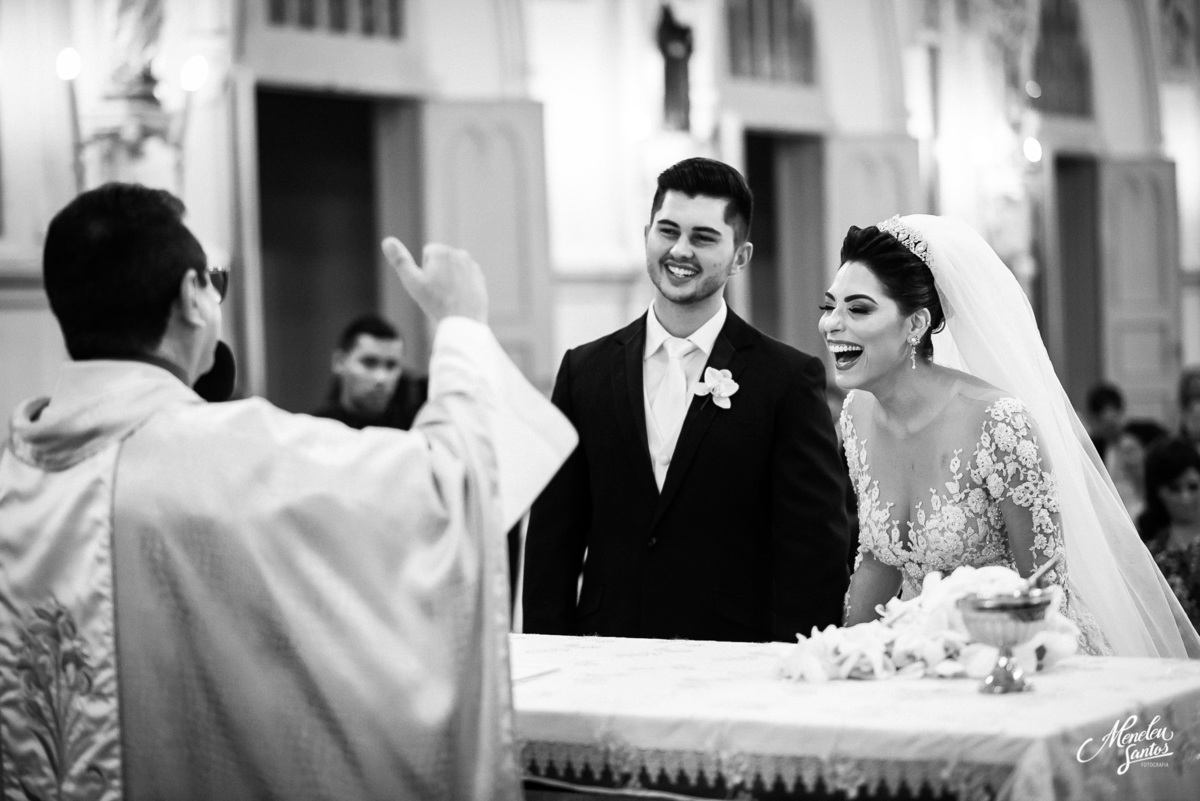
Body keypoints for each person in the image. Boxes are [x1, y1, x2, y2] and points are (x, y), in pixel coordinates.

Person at [0, 183, 577, 799]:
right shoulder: (228, 456)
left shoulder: (15, 477)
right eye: (213, 282)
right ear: (194, 298)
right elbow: (445, 492)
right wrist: (461, 324)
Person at [823, 214, 1200, 658]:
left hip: (1020, 653)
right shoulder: (857, 415)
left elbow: (1043, 587)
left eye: (858, 308)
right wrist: (845, 655)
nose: (832, 324)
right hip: (917, 657)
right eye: (828, 307)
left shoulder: (999, 423)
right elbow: (879, 557)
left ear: (915, 324)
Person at [522, 157, 850, 643]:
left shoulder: (785, 380)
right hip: (606, 654)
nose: (680, 250)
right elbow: (553, 543)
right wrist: (548, 657)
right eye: (668, 231)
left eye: (703, 237)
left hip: (735, 661)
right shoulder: (584, 371)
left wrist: (794, 667)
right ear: (647, 234)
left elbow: (814, 549)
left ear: (740, 256)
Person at [312, 313, 427, 430]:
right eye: (369, 363)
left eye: (391, 365)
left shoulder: (417, 428)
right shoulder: (317, 432)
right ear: (339, 362)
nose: (381, 378)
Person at [1139, 438, 1200, 629]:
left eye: (1193, 487)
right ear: (1158, 491)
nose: (1185, 497)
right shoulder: (1150, 548)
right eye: (1174, 488)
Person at [1106, 418, 1168, 523]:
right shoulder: (1118, 492)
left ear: (1146, 450)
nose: (1124, 459)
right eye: (1121, 452)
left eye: (1130, 450)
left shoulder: (1162, 488)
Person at [1084, 381, 1125, 461]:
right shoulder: (1093, 448)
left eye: (1113, 424)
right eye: (1107, 426)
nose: (1110, 430)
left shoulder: (1135, 441)